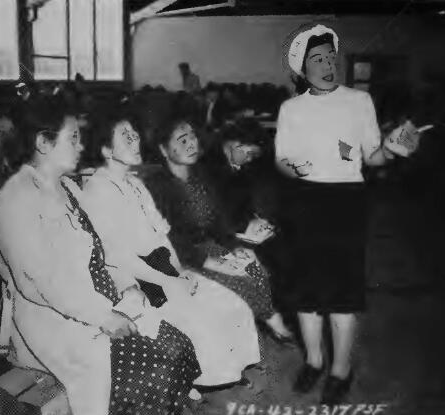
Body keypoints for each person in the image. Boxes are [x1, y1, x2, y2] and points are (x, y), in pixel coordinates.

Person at [0, 99, 202, 414]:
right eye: (73, 137)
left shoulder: (70, 190)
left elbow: (101, 251)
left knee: (176, 344)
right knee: (152, 367)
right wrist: (102, 316)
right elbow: (36, 283)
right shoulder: (17, 199)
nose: (81, 145)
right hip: (54, 319)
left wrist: (125, 282)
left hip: (97, 301)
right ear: (43, 143)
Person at [274, 24, 417, 404]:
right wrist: (295, 168)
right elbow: (282, 159)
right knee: (306, 293)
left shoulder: (359, 102)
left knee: (342, 293)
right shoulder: (292, 108)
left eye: (329, 57)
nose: (326, 64)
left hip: (346, 204)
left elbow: (372, 156)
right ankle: (315, 361)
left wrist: (391, 149)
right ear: (301, 70)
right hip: (304, 202)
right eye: (316, 59)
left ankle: (341, 368)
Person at [81, 111, 261, 387]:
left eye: (134, 133)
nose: (134, 139)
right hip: (134, 280)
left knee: (233, 306)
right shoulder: (97, 189)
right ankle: (207, 377)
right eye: (124, 136)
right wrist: (169, 281)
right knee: (202, 318)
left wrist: (179, 271)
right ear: (106, 150)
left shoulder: (135, 183)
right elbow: (117, 256)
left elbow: (163, 235)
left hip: (163, 267)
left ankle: (229, 371)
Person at [143, 115, 294, 344]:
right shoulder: (157, 186)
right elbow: (169, 239)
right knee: (240, 281)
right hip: (178, 257)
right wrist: (211, 262)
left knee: (255, 268)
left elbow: (218, 221)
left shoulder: (199, 176)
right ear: (164, 150)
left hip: (206, 247)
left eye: (192, 137)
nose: (192, 143)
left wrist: (234, 247)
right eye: (182, 140)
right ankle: (268, 326)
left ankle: (264, 328)